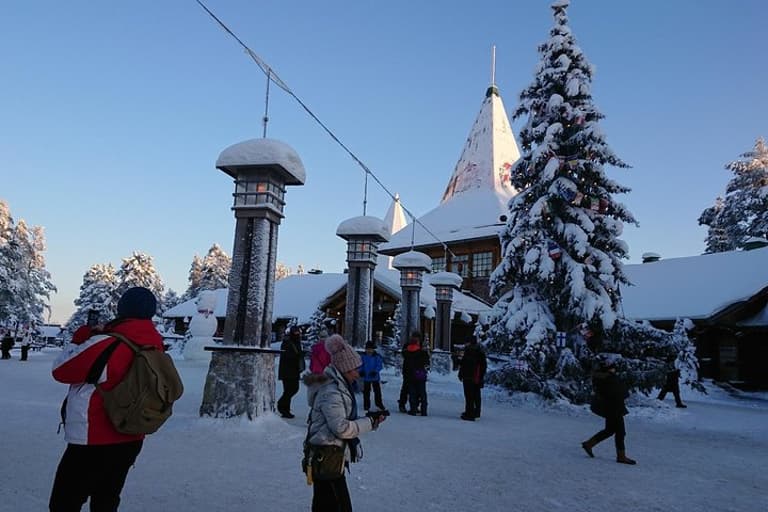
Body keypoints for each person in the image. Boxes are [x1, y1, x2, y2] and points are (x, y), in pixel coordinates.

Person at [49, 286, 165, 511]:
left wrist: (79, 340)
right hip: (132, 435)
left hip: (93, 436)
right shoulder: (155, 344)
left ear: (122, 309)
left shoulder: (107, 343)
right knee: (106, 499)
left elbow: (61, 370)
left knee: (64, 503)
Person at [303, 334, 386, 512]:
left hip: (330, 455)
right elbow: (341, 428)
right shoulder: (332, 391)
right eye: (355, 369)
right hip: (326, 456)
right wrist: (369, 422)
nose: (358, 373)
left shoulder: (339, 387)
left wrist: (370, 419)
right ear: (344, 369)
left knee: (325, 503)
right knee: (337, 505)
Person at [581, 359, 637, 465]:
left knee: (610, 430)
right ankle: (621, 456)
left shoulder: (602, 378)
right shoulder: (609, 379)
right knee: (620, 432)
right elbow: (621, 392)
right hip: (614, 408)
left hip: (610, 407)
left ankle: (589, 444)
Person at [277, 325, 305, 419]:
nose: (298, 334)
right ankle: (282, 407)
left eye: (298, 332)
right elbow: (287, 356)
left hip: (294, 370)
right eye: (296, 332)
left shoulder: (296, 341)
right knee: (290, 390)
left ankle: (285, 409)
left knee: (292, 389)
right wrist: (298, 355)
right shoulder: (287, 342)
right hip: (287, 370)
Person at [458, 336, 487, 421]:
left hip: (468, 376)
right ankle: (476, 412)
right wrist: (481, 376)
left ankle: (469, 413)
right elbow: (483, 366)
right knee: (476, 395)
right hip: (476, 377)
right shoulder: (480, 351)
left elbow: (464, 364)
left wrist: (461, 374)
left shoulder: (469, 351)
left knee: (469, 395)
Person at [403, 332, 430, 416]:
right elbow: (427, 362)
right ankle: (424, 410)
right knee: (422, 393)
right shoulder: (422, 352)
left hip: (410, 374)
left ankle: (413, 409)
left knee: (412, 393)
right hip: (420, 374)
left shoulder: (407, 351)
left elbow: (405, 357)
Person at [361, 341, 386, 412]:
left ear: (373, 349)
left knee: (377, 391)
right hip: (366, 377)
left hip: (375, 377)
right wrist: (361, 371)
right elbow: (360, 364)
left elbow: (379, 365)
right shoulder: (363, 356)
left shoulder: (377, 356)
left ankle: (379, 403)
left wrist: (375, 371)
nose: (369, 350)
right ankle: (366, 404)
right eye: (367, 349)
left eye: (370, 349)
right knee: (366, 392)